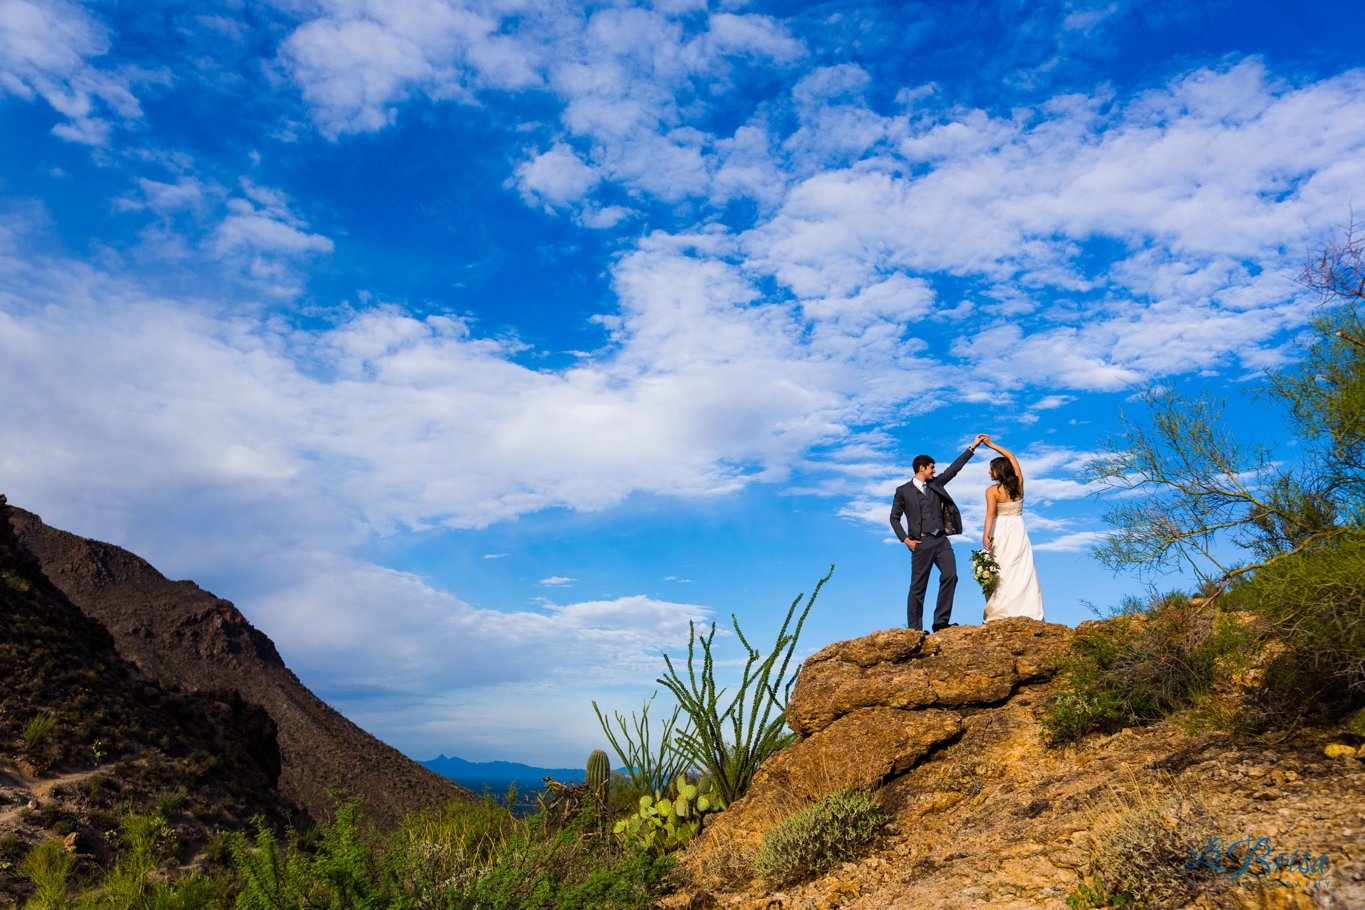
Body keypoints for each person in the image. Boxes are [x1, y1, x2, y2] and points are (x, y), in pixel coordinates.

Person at [889, 435, 987, 632]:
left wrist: (973, 447)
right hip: (920, 543)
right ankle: (915, 629)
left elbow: (954, 469)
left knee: (951, 575)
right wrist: (906, 540)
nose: (935, 471)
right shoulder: (903, 491)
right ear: (921, 468)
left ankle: (940, 622)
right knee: (918, 587)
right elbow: (894, 518)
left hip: (941, 541)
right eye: (932, 467)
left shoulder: (936, 484)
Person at [979, 436, 1044, 621]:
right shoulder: (1019, 484)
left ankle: (1001, 609)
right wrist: (991, 445)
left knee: (1001, 569)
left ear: (998, 471)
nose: (989, 472)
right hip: (1017, 529)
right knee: (1020, 569)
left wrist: (985, 538)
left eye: (991, 469)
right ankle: (1026, 609)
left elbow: (990, 515)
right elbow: (1012, 456)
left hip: (1000, 530)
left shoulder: (991, 491)